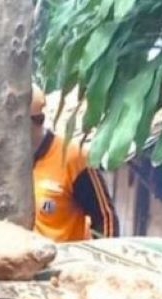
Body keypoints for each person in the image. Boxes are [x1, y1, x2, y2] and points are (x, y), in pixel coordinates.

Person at [31, 85, 118, 242]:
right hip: (18, 263)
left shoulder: (73, 157)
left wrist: (101, 262)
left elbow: (105, 219)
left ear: (36, 121)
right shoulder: (2, 162)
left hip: (64, 263)